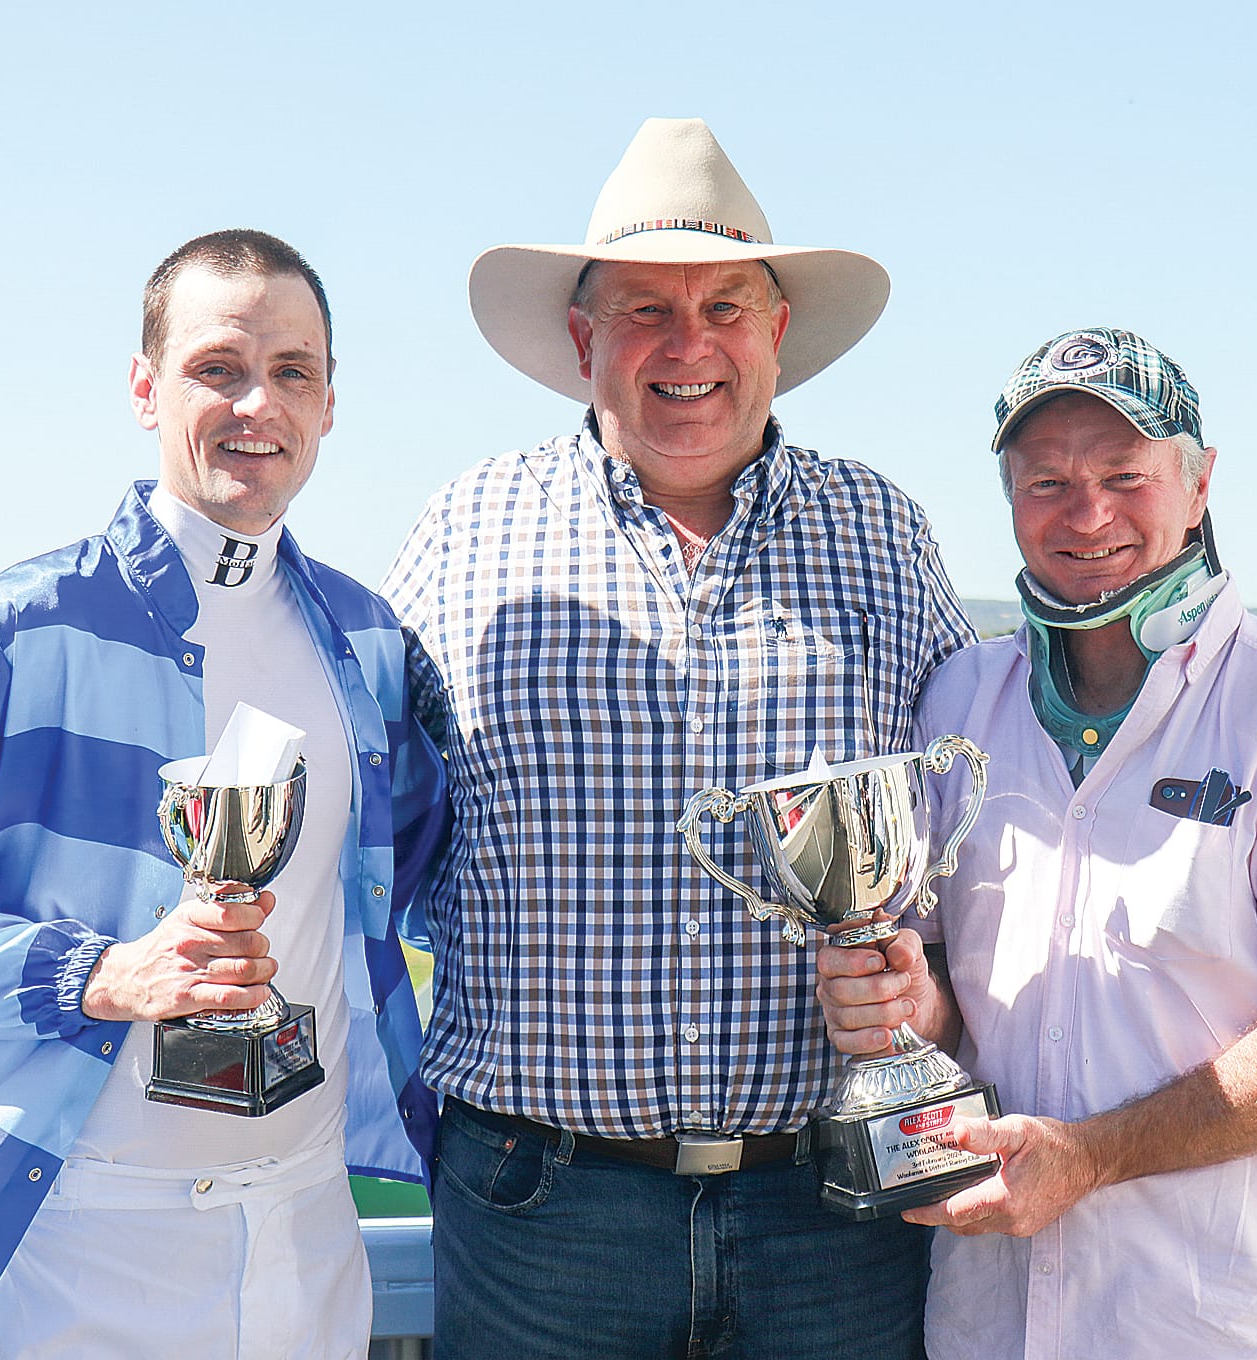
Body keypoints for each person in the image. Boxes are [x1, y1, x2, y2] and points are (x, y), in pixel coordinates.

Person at [381, 117, 976, 1359]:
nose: (686, 344)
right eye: (644, 309)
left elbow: (957, 829)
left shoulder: (881, 531)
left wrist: (922, 976)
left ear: (775, 334)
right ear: (583, 338)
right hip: (543, 1208)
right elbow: (385, 822)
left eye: (723, 304)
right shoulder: (465, 531)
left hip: (835, 1209)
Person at [0, 229, 445, 1358]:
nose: (258, 403)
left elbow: (425, 886)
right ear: (145, 387)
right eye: (218, 368)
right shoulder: (19, 627)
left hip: (309, 1233)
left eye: (291, 372)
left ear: (329, 404)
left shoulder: (367, 639)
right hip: (74, 1248)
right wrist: (103, 974)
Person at [815, 327, 1257, 1358]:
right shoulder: (959, 701)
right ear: (1009, 500)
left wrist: (1092, 1155)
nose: (1087, 512)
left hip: (1211, 1321)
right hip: (990, 1321)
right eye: (1046, 481)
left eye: (1124, 474)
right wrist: (898, 995)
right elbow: (950, 998)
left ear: (1198, 485)